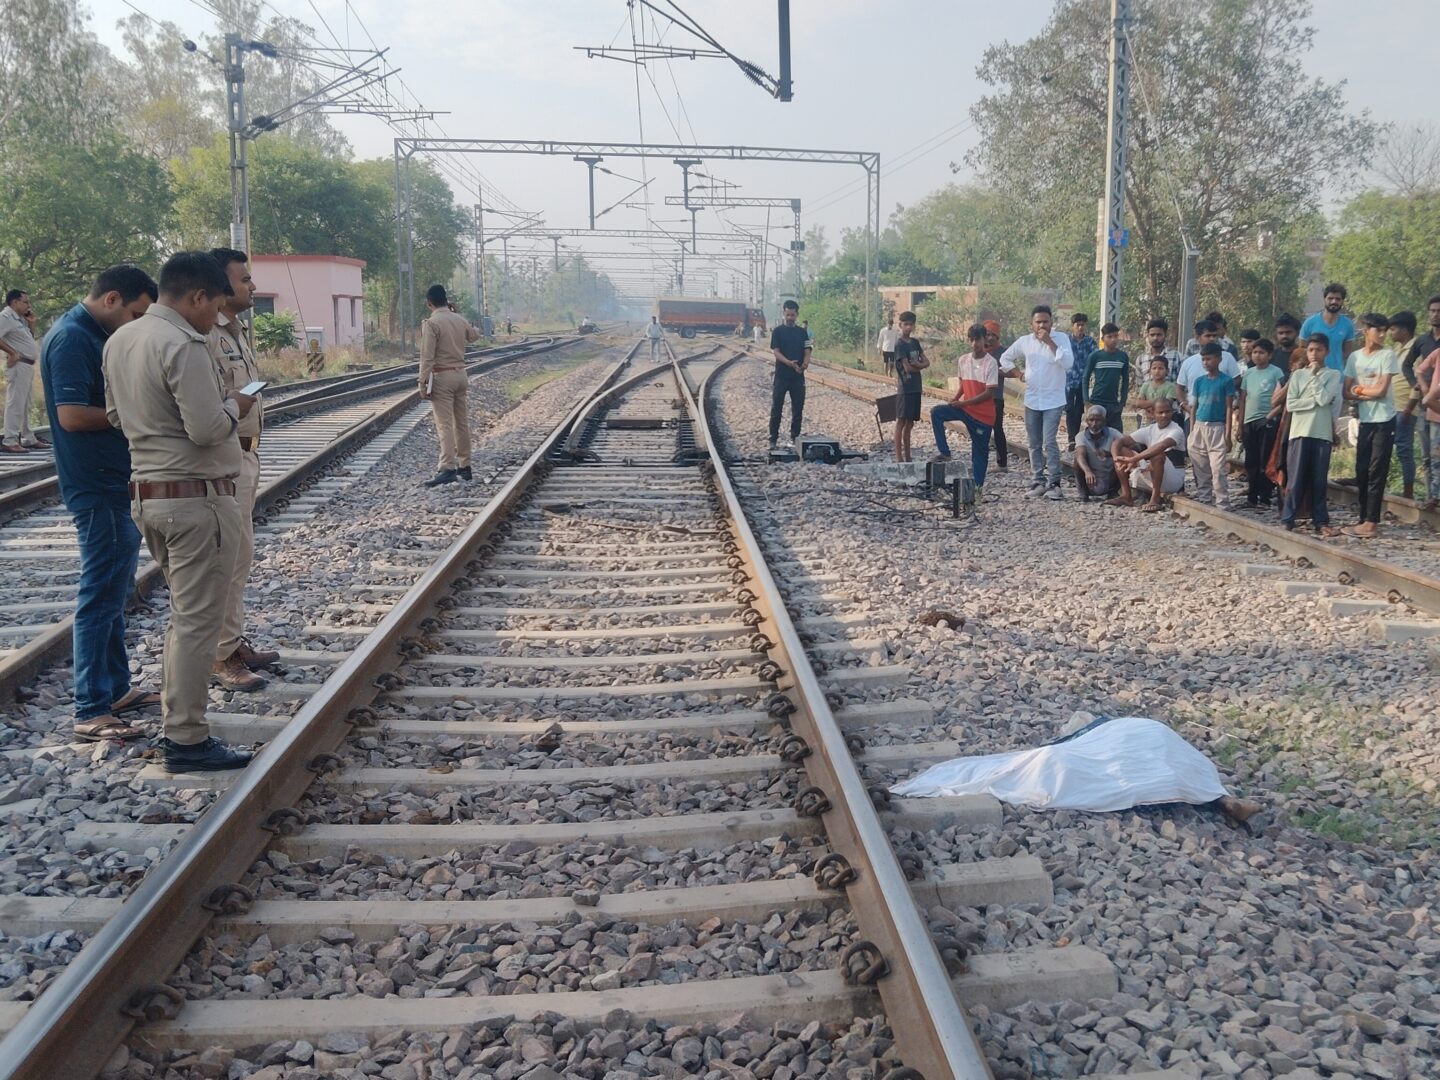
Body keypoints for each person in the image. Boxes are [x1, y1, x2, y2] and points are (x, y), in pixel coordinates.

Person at [104, 251, 256, 773]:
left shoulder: (121, 339)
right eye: (213, 306)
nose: (215, 317)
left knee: (185, 618)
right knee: (198, 625)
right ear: (196, 296)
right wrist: (236, 404)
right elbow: (208, 428)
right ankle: (187, 740)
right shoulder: (183, 344)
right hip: (197, 500)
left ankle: (180, 728)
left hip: (149, 495)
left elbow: (115, 415)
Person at [39, 266, 160, 742]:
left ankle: (116, 689)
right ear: (111, 298)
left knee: (115, 589)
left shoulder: (94, 334)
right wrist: (137, 413)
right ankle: (90, 707)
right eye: (135, 314)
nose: (136, 324)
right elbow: (71, 416)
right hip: (97, 483)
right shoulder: (72, 338)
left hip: (113, 478)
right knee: (100, 595)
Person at [206, 248, 280, 691]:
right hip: (224, 456)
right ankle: (220, 656)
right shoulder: (206, 335)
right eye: (244, 279)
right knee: (226, 560)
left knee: (240, 557)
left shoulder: (235, 330)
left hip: (245, 455)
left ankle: (231, 642)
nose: (252, 286)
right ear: (220, 283)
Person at [1002, 306, 1073, 500]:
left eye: (1045, 322)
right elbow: (1005, 358)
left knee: (1049, 441)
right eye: (1038, 322)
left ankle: (1055, 484)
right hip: (1032, 399)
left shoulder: (1061, 339)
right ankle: (1038, 482)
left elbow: (1068, 363)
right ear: (1031, 324)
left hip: (1054, 400)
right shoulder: (1025, 341)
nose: (1042, 325)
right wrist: (1018, 374)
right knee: (1034, 443)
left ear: (1051, 323)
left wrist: (1050, 342)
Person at [1342, 312, 1400, 538]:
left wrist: (1359, 390)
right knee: (1362, 470)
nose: (1383, 334)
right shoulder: (1355, 358)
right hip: (1365, 420)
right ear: (1366, 331)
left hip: (1384, 420)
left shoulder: (1387, 355)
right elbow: (1346, 391)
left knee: (1377, 470)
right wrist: (1365, 392)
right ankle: (1364, 517)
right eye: (1379, 330)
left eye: (1385, 330)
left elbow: (1381, 391)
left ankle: (1372, 522)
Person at [1281, 334, 1343, 536]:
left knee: (1319, 480)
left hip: (1322, 433)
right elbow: (1291, 404)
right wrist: (1314, 401)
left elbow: (1325, 399)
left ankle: (1320, 520)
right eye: (1310, 350)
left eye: (1319, 350)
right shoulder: (1298, 375)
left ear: (1327, 351)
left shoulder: (1333, 375)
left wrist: (1315, 377)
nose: (1314, 354)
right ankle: (1288, 518)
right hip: (1299, 432)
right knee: (1295, 479)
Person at [419, 284, 479, 487]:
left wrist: (422, 382)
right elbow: (474, 335)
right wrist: (457, 313)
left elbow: (427, 357)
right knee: (461, 422)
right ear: (446, 300)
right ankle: (465, 466)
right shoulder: (459, 319)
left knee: (444, 424)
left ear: (429, 303)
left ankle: (447, 468)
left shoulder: (432, 323)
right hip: (461, 375)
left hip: (442, 377)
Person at [929, 323, 996, 488]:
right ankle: (945, 452)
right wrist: (955, 398)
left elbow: (988, 393)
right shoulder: (963, 360)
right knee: (937, 413)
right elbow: (964, 385)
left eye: (978, 339)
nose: (974, 344)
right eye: (971, 340)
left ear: (984, 340)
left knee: (979, 453)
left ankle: (977, 488)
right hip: (965, 409)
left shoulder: (991, 363)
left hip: (983, 416)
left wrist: (962, 403)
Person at [1108, 398, 1187, 512]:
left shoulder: (1176, 430)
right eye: (1160, 412)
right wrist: (1117, 460)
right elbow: (1118, 442)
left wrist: (1134, 459)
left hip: (1173, 481)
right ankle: (1126, 495)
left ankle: (1155, 499)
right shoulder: (1150, 429)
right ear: (1152, 413)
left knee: (1157, 454)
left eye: (1168, 412)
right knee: (1122, 451)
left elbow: (1161, 446)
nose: (1164, 415)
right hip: (1152, 477)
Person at [1236, 338, 1286, 509]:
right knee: (1251, 460)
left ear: (1270, 355)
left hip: (1267, 420)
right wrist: (1240, 424)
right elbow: (1243, 399)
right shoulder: (1248, 374)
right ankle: (1252, 496)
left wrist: (1270, 417)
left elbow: (1282, 398)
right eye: (1255, 352)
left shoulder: (1276, 372)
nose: (1257, 356)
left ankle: (1265, 496)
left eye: (1261, 352)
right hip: (1249, 421)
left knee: (1266, 459)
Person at [1186, 343, 1238, 506]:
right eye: (1203, 359)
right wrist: (1192, 430)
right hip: (1199, 426)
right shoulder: (1199, 381)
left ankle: (1222, 501)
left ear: (1219, 359)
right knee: (1201, 467)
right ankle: (1205, 499)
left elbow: (1229, 408)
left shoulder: (1226, 381)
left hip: (1217, 427)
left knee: (1218, 468)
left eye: (1209, 359)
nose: (1206, 362)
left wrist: (1227, 434)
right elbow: (1194, 407)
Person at [1301, 283, 1358, 430]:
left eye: (1338, 299)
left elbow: (1346, 352)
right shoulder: (1310, 322)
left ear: (1342, 301)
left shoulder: (1347, 325)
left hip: (1336, 379)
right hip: (1313, 376)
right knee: (1310, 420)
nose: (1334, 302)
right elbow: (1302, 350)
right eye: (1330, 298)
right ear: (1324, 299)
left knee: (1331, 424)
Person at [0, 289, 48, 452]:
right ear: (14, 302)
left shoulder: (19, 320)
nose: (29, 305)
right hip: (18, 365)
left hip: (27, 365)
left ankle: (28, 437)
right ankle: (10, 440)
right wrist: (12, 352)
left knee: (26, 404)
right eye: (25, 302)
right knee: (16, 403)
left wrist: (31, 325)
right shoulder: (6, 317)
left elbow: (25, 341)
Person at [1388, 311, 1424, 502]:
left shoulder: (1416, 350)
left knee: (1404, 449)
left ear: (1404, 330)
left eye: (1393, 329)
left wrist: (1409, 408)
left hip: (1405, 408)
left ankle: (1408, 492)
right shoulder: (1397, 350)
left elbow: (1418, 381)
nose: (1390, 333)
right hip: (1392, 407)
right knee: (1387, 448)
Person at [1408, 296, 1440, 508]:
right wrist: (1420, 387)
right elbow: (1410, 367)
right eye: (1433, 311)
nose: (1435, 315)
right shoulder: (1423, 341)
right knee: (1428, 455)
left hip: (1435, 405)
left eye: (1439, 311)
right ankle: (1432, 496)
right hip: (1426, 407)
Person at [768, 299, 810, 450]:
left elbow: (807, 350)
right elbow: (776, 352)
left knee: (798, 409)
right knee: (776, 408)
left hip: (798, 377)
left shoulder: (802, 332)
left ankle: (795, 437)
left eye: (792, 315)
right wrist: (788, 363)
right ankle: (773, 438)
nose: (790, 317)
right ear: (784, 313)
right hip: (782, 375)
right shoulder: (778, 332)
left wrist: (805, 363)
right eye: (788, 314)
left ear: (797, 314)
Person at [1175, 320, 1240, 415]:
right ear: (1197, 337)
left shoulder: (1227, 357)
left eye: (1214, 335)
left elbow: (1237, 380)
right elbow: (1179, 387)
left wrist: (1218, 387)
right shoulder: (1188, 362)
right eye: (1208, 336)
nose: (1212, 339)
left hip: (1221, 414)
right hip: (1193, 413)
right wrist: (1185, 405)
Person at [892, 311, 928, 462]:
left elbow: (927, 362)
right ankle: (899, 457)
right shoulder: (900, 344)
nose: (908, 327)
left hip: (916, 387)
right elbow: (907, 368)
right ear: (900, 325)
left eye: (910, 324)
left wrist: (918, 365)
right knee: (901, 421)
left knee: (910, 422)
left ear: (914, 325)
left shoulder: (915, 343)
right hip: (905, 388)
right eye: (905, 324)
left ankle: (908, 456)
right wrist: (919, 365)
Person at [1083, 322, 1130, 432]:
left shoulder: (1122, 356)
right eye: (1109, 337)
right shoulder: (1095, 356)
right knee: (1095, 434)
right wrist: (1086, 401)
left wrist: (1122, 402)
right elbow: (1085, 378)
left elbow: (1125, 380)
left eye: (1116, 336)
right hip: (1097, 401)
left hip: (1114, 403)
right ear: (1103, 339)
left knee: (1117, 436)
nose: (1113, 339)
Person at [1073, 405, 1123, 502]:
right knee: (1077, 458)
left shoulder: (1113, 433)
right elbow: (1080, 455)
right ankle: (1083, 493)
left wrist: (1109, 454)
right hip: (1090, 479)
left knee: (1123, 454)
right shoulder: (1081, 436)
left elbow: (1129, 445)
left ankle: (1113, 492)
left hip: (1110, 477)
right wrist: (1087, 471)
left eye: (1098, 420)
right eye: (1091, 420)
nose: (1094, 424)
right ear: (1086, 421)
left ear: (1104, 421)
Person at [984, 321, 1012, 470]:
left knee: (997, 430)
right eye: (987, 334)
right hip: (979, 397)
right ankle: (980, 461)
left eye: (992, 335)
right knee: (980, 430)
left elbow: (1012, 372)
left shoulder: (1003, 352)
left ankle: (1002, 464)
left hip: (996, 397)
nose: (989, 338)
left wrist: (996, 370)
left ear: (997, 336)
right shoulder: (980, 350)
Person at [1064, 313, 1095, 451]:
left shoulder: (1090, 342)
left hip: (1084, 381)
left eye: (1083, 325)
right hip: (1068, 381)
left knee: (1079, 410)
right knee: (1069, 409)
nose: (1081, 327)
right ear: (1073, 326)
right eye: (1078, 325)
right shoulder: (1066, 341)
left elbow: (1095, 357)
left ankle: (1076, 437)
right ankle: (1071, 439)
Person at [1141, 317, 1182, 383]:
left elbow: (1181, 384)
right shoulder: (1141, 359)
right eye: (1152, 335)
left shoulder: (1177, 357)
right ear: (1148, 335)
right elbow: (1140, 385)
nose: (1155, 338)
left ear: (1165, 335)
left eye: (1159, 335)